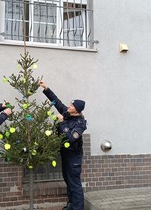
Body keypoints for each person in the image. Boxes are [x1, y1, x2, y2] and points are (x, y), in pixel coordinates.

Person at [39, 81, 87, 210]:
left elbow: (71, 138)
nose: (68, 106)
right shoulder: (67, 113)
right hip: (65, 155)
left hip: (74, 157)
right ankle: (71, 205)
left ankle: (78, 208)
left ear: (76, 110)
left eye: (71, 105)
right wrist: (46, 88)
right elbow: (56, 101)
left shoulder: (80, 124)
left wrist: (62, 123)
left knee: (75, 183)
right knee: (68, 181)